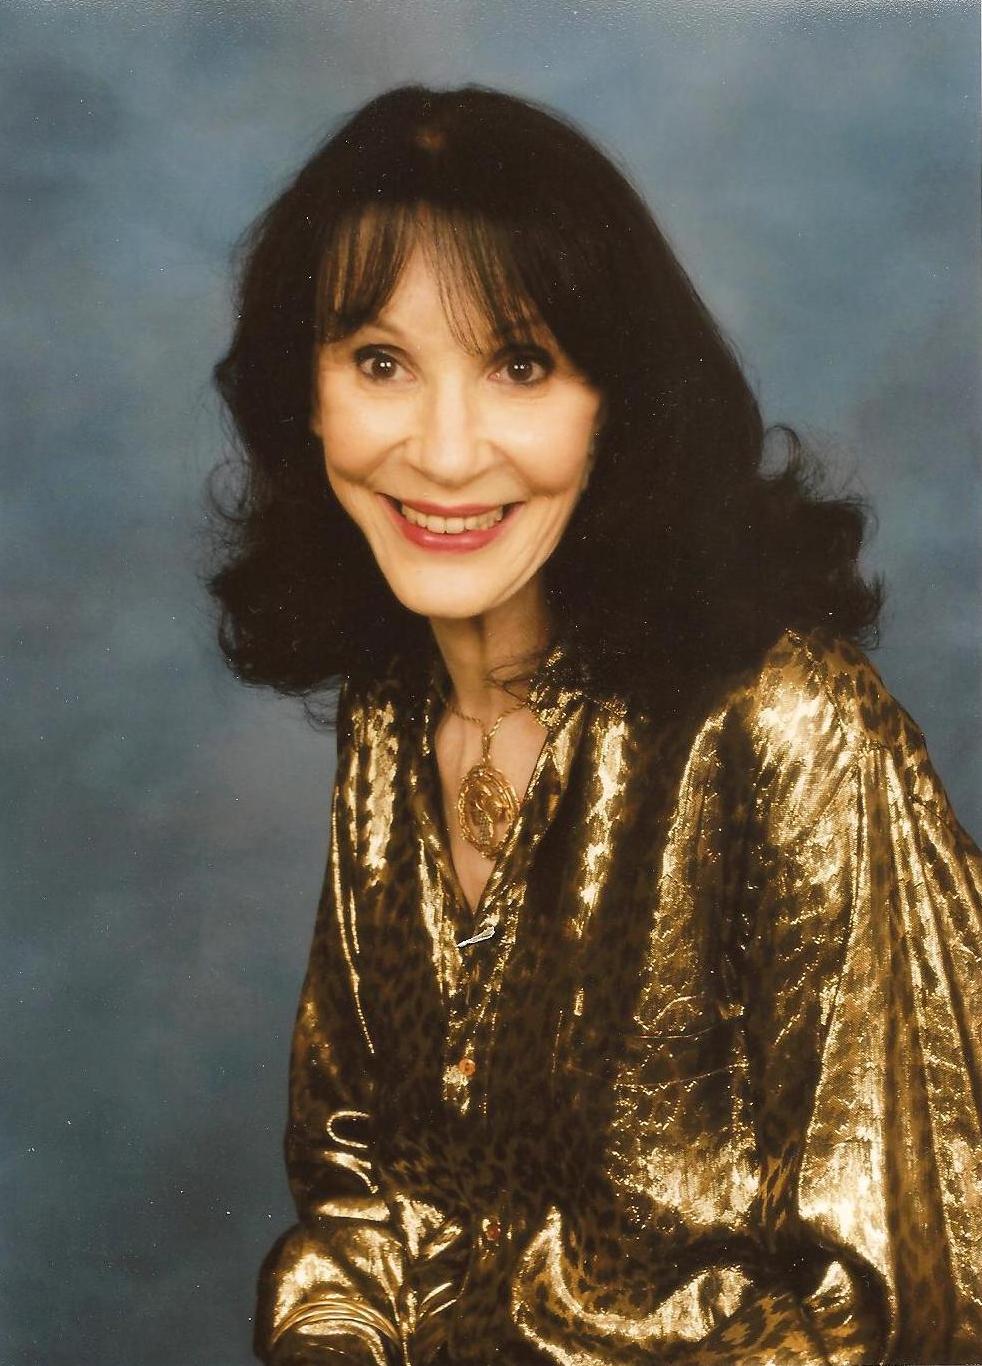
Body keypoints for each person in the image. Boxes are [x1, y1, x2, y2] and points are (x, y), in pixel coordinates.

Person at [206, 85, 982, 1365]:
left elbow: (903, 1298)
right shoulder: (393, 709)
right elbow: (369, 1204)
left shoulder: (788, 727)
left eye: (519, 365)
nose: (443, 453)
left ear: (614, 404)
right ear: (308, 395)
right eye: (381, 362)